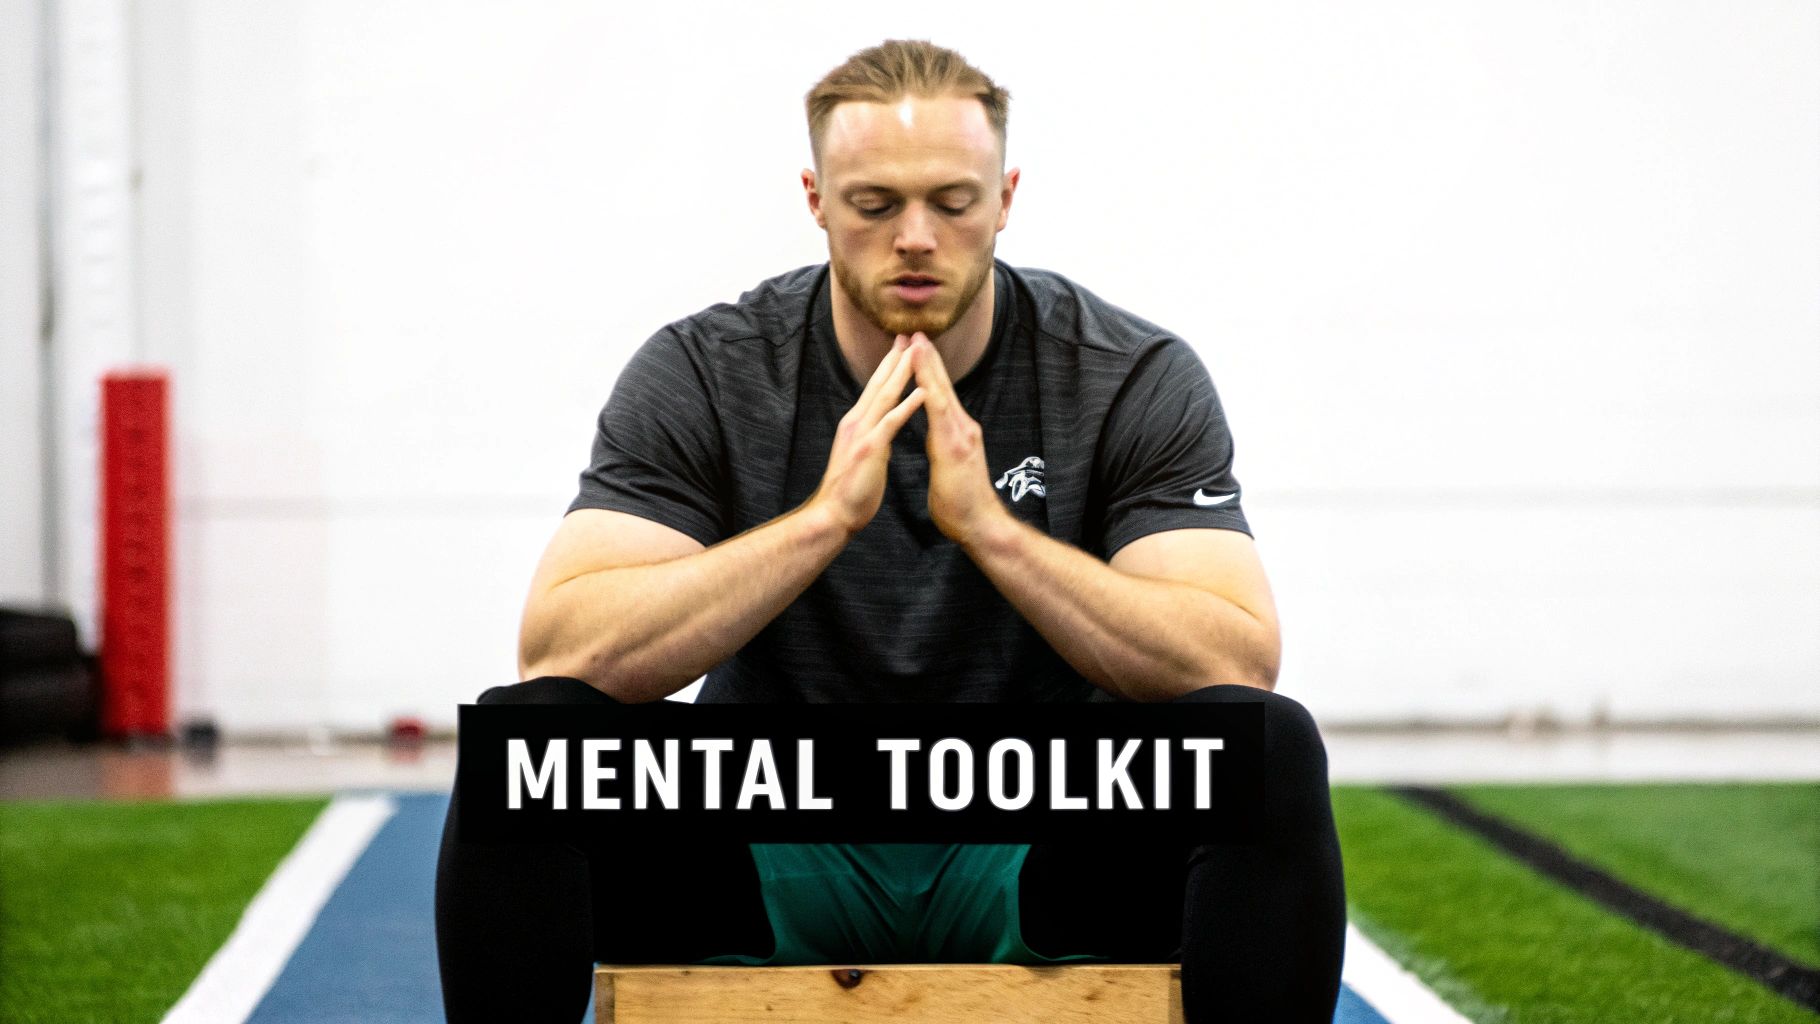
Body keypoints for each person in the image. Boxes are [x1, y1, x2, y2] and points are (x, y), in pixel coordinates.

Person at [436, 39, 1345, 1024]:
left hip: (1037, 827)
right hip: (769, 826)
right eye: (874, 205)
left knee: (1265, 749)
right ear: (816, 198)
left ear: (1004, 197)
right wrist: (821, 520)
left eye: (951, 203)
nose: (915, 236)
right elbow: (559, 651)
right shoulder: (709, 370)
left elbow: (1234, 658)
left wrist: (992, 531)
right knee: (526, 745)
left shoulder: (1123, 373)